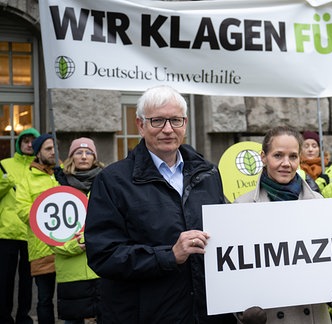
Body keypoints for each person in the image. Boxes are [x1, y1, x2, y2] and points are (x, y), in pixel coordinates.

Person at [84, 85, 236, 324]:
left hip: (207, 314)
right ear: (141, 125)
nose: (168, 129)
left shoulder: (209, 174)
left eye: (175, 120)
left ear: (185, 123)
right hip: (146, 315)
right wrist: (168, 256)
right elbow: (103, 255)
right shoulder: (113, 181)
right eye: (157, 121)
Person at [234, 125, 332, 324]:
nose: (286, 163)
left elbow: (328, 260)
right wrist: (240, 308)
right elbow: (233, 271)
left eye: (292, 156)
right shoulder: (241, 206)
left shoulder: (317, 202)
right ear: (263, 157)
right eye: (278, 155)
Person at [52, 137, 104, 324]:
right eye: (78, 152)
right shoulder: (56, 187)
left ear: (95, 157)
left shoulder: (107, 184)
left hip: (102, 268)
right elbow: (48, 234)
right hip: (71, 272)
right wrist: (78, 244)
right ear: (71, 157)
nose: (83, 156)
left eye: (88, 152)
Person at [15, 133, 60, 324]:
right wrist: (43, 214)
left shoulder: (64, 173)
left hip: (70, 247)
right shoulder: (27, 179)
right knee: (44, 299)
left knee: (73, 296)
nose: (53, 153)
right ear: (38, 152)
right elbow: (23, 211)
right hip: (42, 248)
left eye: (54, 148)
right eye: (48, 149)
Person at [0, 128, 39, 324]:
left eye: (33, 141)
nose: (29, 144)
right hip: (6, 232)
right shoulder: (4, 165)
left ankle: (24, 317)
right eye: (25, 140)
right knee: (4, 279)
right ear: (19, 143)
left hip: (31, 232)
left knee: (27, 280)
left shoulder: (40, 168)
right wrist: (5, 184)